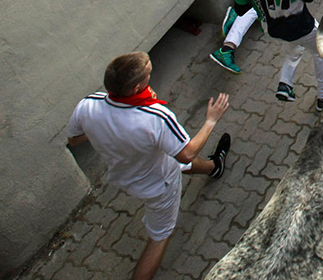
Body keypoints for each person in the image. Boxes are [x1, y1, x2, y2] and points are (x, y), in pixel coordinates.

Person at [66, 53, 231, 280]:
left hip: (127, 173)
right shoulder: (156, 117)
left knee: (175, 162)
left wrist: (104, 128)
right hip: (158, 185)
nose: (150, 79)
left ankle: (214, 167)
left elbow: (74, 140)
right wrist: (211, 120)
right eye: (148, 75)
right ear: (135, 88)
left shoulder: (88, 105)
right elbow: (187, 153)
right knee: (159, 237)